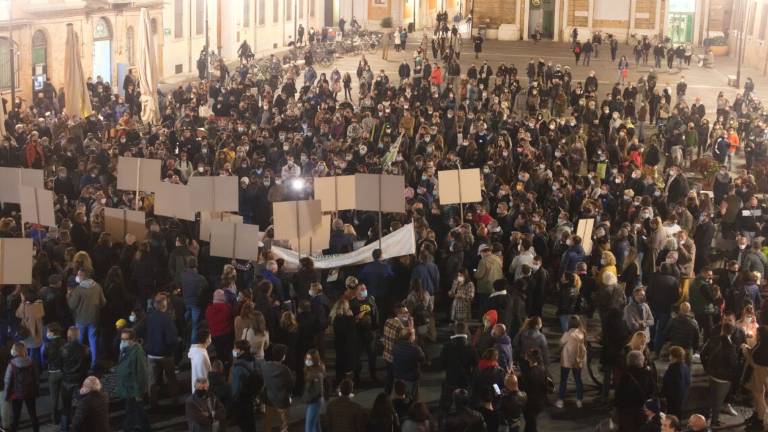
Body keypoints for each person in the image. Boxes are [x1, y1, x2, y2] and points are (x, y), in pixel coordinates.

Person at [135, 295, 178, 408]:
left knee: (152, 381)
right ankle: (174, 401)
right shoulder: (167, 319)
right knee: (171, 378)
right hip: (166, 355)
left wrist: (145, 342)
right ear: (165, 305)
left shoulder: (148, 318)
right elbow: (172, 339)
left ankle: (153, 403)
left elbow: (136, 330)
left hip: (151, 354)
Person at [700, 322, 739, 427]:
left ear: (722, 329)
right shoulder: (731, 346)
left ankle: (705, 417)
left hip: (712, 374)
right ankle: (714, 421)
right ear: (732, 332)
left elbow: (702, 354)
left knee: (711, 396)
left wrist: (707, 368)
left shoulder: (712, 340)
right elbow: (734, 363)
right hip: (724, 378)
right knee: (718, 401)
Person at [66, 267, 106, 369]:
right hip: (94, 318)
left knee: (79, 341)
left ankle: (78, 363)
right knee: (93, 340)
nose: (77, 277)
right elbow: (103, 302)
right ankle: (94, 363)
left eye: (79, 275)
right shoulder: (97, 286)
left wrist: (69, 295)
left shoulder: (78, 290)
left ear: (83, 276)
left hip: (81, 319)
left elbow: (72, 305)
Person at [113, 329, 150, 432]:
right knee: (138, 410)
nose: (123, 341)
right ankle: (145, 427)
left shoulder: (137, 352)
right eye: (122, 339)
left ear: (133, 340)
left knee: (130, 410)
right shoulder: (125, 349)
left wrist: (139, 392)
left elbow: (141, 373)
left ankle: (128, 428)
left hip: (133, 388)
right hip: (127, 386)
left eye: (126, 339)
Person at [440, 321, 477, 411]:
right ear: (466, 331)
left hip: (451, 377)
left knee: (447, 400)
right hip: (465, 377)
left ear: (455, 331)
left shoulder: (447, 346)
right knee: (464, 399)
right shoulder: (471, 347)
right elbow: (476, 364)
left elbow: (442, 363)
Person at [615, 350, 656, 432]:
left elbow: (619, 394)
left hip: (626, 410)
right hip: (643, 409)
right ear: (640, 360)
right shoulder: (647, 374)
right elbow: (653, 391)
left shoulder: (625, 375)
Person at [5, 342, 40, 432]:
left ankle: (14, 429)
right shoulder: (31, 362)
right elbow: (36, 377)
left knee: (16, 416)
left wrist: (7, 395)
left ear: (14, 351)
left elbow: (8, 380)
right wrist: (36, 390)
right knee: (33, 414)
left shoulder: (11, 364)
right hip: (30, 392)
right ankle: (36, 430)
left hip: (16, 394)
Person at [60, 326, 90, 432]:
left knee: (66, 406)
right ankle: (79, 426)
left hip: (66, 380)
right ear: (78, 335)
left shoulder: (63, 348)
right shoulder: (85, 349)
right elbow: (87, 365)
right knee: (81, 405)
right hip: (79, 380)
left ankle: (64, 428)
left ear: (69, 335)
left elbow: (60, 364)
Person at [260, 343, 295, 432]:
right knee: (284, 424)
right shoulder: (285, 370)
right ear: (283, 356)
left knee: (268, 422)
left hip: (269, 398)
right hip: (282, 400)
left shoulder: (265, 366)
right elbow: (290, 384)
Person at [556, 315, 586, 408]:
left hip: (566, 359)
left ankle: (561, 400)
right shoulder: (582, 333)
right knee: (578, 379)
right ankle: (579, 400)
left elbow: (561, 343)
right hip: (577, 359)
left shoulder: (568, 333)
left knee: (563, 380)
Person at [230, 340, 259, 432]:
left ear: (241, 351)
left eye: (235, 348)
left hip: (241, 399)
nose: (233, 350)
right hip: (251, 395)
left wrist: (233, 399)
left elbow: (236, 388)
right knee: (250, 422)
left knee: (244, 423)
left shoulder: (237, 368)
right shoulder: (254, 360)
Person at [661, 346, 690, 419]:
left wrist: (663, 394)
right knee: (678, 415)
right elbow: (688, 381)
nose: (669, 357)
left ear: (674, 357)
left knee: (672, 416)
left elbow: (668, 383)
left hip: (673, 398)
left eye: (670, 355)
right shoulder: (685, 366)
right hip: (682, 397)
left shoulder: (673, 368)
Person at [303, 349, 325, 432]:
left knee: (309, 426)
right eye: (307, 358)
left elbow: (319, 388)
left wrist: (321, 396)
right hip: (312, 400)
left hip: (314, 401)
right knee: (315, 424)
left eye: (310, 359)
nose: (307, 361)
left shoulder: (317, 373)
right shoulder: (310, 369)